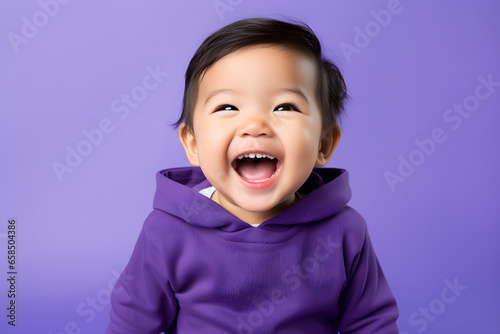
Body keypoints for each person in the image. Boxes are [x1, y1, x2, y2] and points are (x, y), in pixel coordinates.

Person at [106, 18, 399, 334]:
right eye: (228, 106)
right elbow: (132, 323)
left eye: (285, 107)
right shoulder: (167, 231)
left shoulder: (344, 232)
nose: (256, 125)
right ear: (192, 144)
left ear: (323, 144)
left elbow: (371, 323)